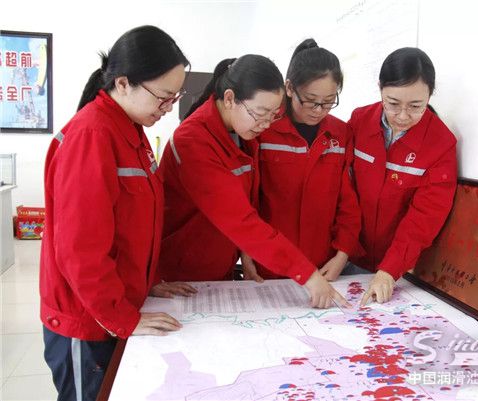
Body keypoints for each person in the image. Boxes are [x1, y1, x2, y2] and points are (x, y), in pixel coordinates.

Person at [40, 25, 196, 401]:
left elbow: (133, 225)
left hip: (114, 306)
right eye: (163, 97)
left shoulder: (130, 130)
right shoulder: (92, 135)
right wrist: (124, 318)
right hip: (88, 320)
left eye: (175, 98)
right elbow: (80, 249)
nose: (168, 108)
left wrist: (148, 281)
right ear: (123, 83)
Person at [158, 55, 349, 309]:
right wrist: (308, 275)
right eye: (260, 114)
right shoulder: (193, 141)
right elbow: (240, 219)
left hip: (219, 269)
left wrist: (244, 252)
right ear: (229, 99)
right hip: (181, 274)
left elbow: (250, 200)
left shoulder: (243, 133)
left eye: (273, 115)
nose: (266, 125)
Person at [240, 39, 360, 282]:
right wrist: (245, 249)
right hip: (270, 262)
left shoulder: (340, 134)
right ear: (289, 88)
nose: (319, 110)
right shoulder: (264, 129)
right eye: (310, 100)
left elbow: (348, 201)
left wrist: (343, 254)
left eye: (329, 101)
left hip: (323, 265)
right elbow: (246, 196)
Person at [348, 47, 457, 305]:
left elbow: (424, 217)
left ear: (430, 94)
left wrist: (389, 270)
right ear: (380, 89)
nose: (403, 116)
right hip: (347, 256)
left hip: (400, 269)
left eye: (416, 106)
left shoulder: (441, 144)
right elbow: (343, 189)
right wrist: (342, 249)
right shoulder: (359, 121)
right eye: (393, 104)